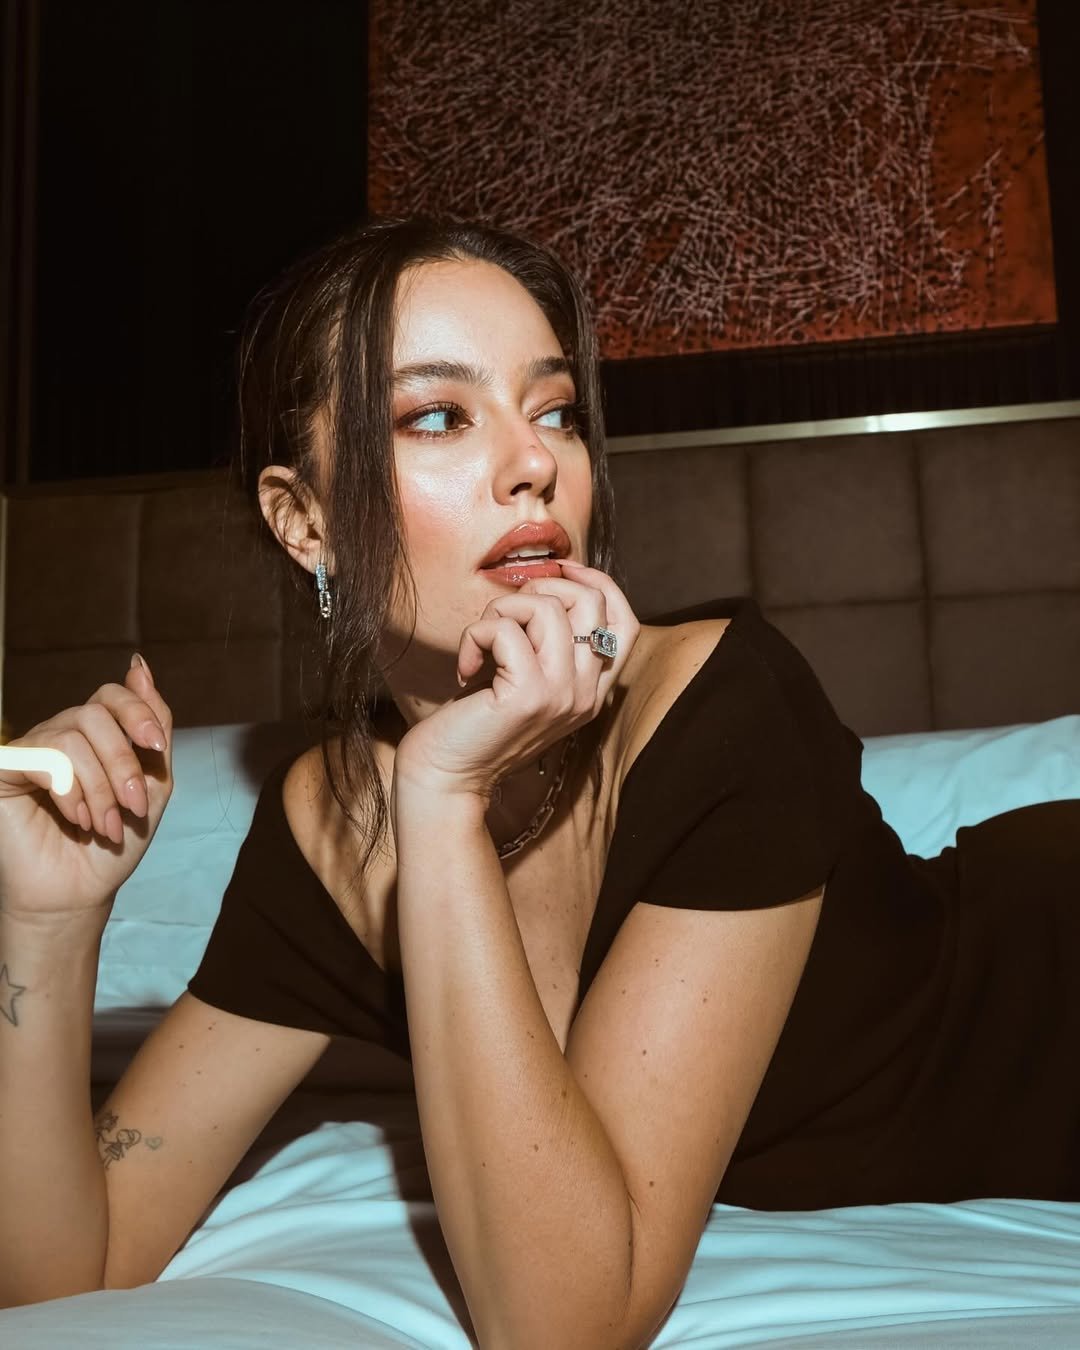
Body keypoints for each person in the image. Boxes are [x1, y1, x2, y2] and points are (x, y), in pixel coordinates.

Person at [1, 218, 1077, 1345]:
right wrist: (46, 921)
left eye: (555, 410)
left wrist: (439, 797)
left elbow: (569, 1324)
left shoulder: (722, 703)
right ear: (305, 521)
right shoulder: (330, 827)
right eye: (438, 416)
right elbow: (64, 1272)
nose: (537, 464)